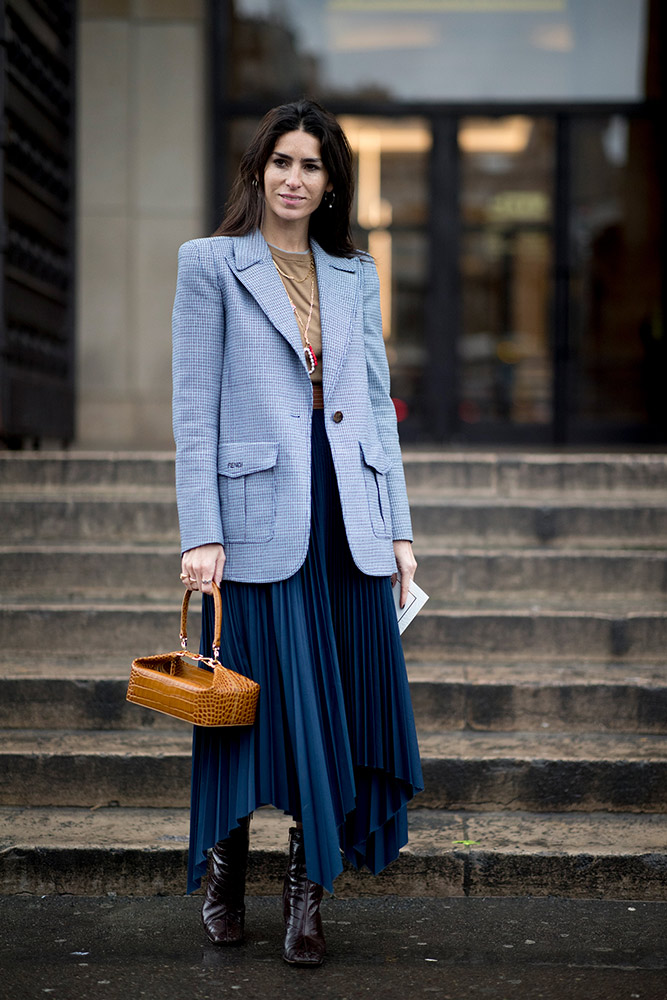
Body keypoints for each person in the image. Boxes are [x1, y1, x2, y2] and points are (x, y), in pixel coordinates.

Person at [172, 98, 423, 968]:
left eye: (311, 165)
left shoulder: (355, 274)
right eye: (281, 161)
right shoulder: (209, 265)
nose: (293, 178)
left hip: (348, 516)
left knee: (340, 710)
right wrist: (199, 532)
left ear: (330, 183)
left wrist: (397, 530)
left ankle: (306, 897)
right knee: (247, 710)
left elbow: (379, 412)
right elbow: (193, 408)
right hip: (255, 520)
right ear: (256, 170)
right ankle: (224, 876)